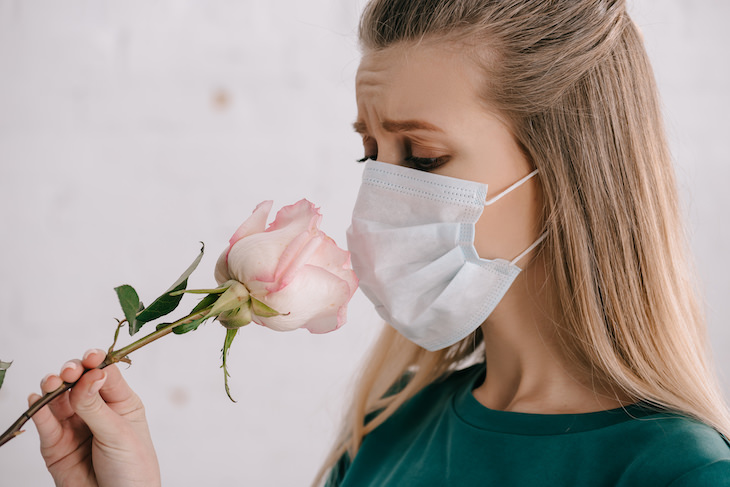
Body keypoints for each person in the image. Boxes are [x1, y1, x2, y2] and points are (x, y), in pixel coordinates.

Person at [32, 0, 730, 486]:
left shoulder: (676, 471)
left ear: (569, 169)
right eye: (372, 155)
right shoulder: (391, 423)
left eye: (423, 158)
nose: (382, 199)